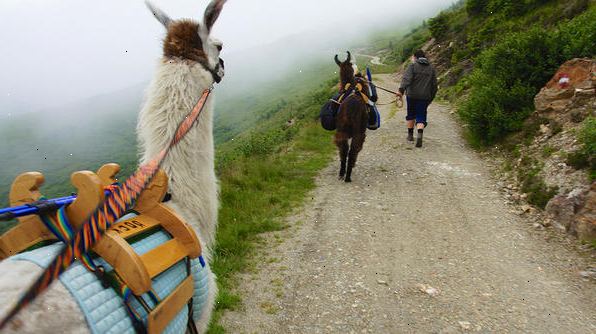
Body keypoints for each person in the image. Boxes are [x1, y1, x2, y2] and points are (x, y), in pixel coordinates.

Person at [396, 50, 438, 148]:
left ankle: (410, 136)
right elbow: (434, 86)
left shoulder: (412, 66)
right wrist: (430, 98)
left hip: (412, 96)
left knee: (411, 114)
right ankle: (419, 135)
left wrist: (401, 91)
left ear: (415, 57)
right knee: (421, 116)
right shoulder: (431, 68)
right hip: (424, 97)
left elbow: (406, 79)